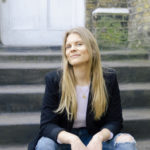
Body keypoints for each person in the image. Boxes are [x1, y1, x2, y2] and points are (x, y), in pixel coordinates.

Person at [28, 27, 137, 150]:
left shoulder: (108, 79)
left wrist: (99, 137)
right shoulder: (55, 80)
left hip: (95, 138)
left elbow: (115, 121)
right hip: (65, 140)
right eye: (68, 46)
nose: (72, 49)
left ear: (93, 50)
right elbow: (47, 125)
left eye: (79, 44)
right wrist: (72, 139)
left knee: (127, 141)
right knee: (44, 144)